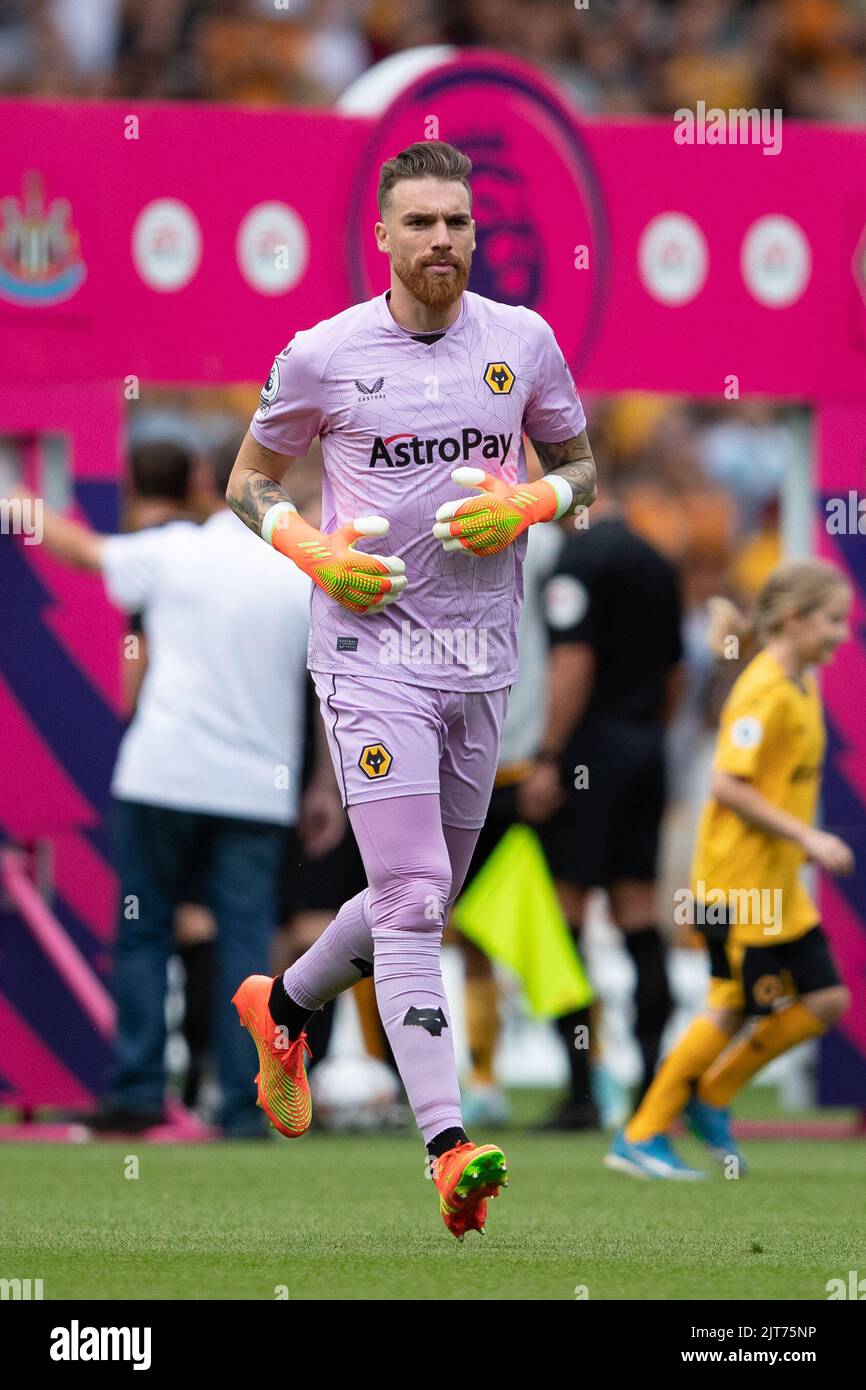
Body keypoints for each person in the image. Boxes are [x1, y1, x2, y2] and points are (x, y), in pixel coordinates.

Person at [226, 139, 596, 1238]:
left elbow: (582, 474)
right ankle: (444, 1141)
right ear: (380, 236)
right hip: (368, 653)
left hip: (478, 664)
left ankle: (283, 1004)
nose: (441, 239)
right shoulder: (321, 354)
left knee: (415, 894)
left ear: (475, 235)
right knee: (412, 899)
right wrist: (307, 548)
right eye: (421, 222)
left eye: (457, 222)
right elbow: (248, 480)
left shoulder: (521, 342)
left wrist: (532, 505)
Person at [9, 445, 341, 1136]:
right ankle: (248, 1110)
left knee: (142, 935)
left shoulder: (177, 551)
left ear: (205, 482)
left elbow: (81, 550)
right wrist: (322, 786)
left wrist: (16, 496)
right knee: (248, 947)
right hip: (258, 786)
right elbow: (324, 689)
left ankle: (136, 1094)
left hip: (163, 772)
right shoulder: (299, 567)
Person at [607, 558, 854, 1179]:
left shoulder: (801, 680)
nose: (842, 635)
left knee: (825, 999)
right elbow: (728, 784)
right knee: (729, 1005)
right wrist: (810, 837)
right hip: (733, 886)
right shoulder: (763, 689)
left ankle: (711, 1096)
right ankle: (640, 1134)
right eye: (833, 621)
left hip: (776, 887)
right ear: (794, 621)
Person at [522, 467, 684, 1127]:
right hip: (646, 748)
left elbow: (573, 663)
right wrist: (646, 739)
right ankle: (651, 1087)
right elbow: (676, 672)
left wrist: (551, 756)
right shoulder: (656, 558)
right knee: (640, 914)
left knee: (566, 912)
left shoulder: (578, 558)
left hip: (588, 754)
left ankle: (582, 1089)